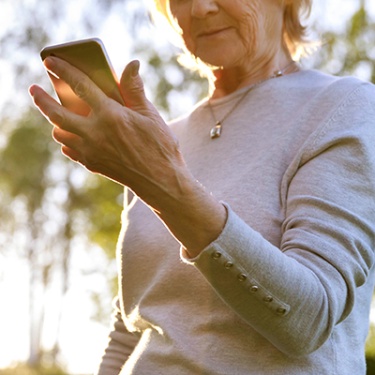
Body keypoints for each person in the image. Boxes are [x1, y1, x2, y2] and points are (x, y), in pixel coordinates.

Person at [29, 0, 375, 373]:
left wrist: (163, 183)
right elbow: (133, 323)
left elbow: (310, 320)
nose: (200, 9)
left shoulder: (345, 106)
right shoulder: (157, 138)